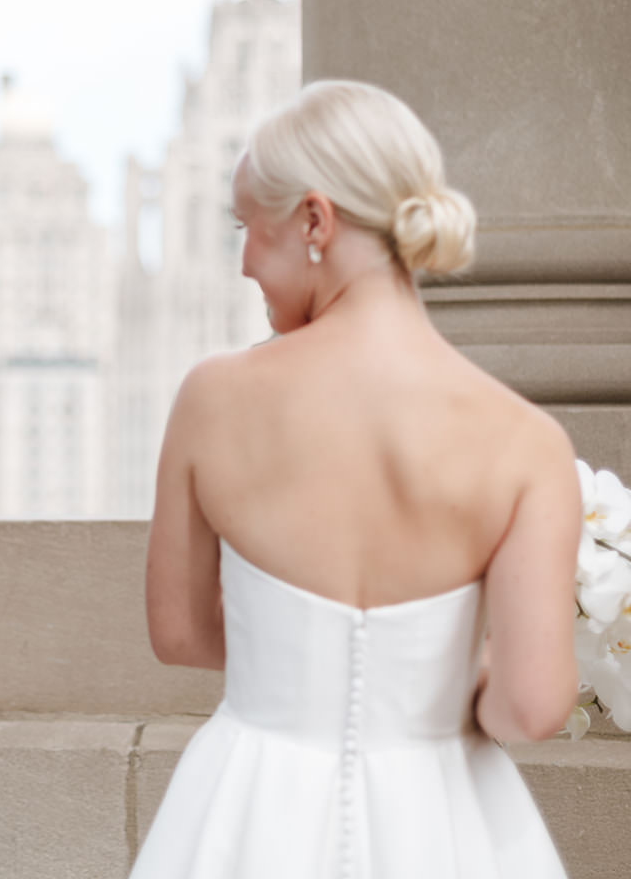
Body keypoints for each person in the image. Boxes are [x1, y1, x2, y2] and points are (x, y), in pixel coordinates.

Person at [129, 80, 580, 877]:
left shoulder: (215, 399)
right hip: (445, 821)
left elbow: (181, 632)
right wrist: (430, 681)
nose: (241, 263)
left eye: (248, 229)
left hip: (252, 809)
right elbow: (531, 705)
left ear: (314, 220)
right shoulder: (527, 441)